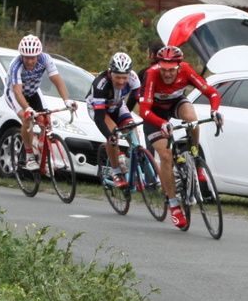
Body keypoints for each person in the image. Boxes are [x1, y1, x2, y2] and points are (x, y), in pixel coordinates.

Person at [138, 44, 223, 231]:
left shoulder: (186, 70)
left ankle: (194, 155)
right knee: (166, 156)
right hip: (154, 113)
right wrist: (161, 123)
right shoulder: (152, 74)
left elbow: (212, 92)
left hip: (175, 103)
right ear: (158, 65)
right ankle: (174, 205)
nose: (167, 74)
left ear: (179, 66)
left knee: (192, 119)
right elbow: (144, 110)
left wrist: (215, 110)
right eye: (164, 69)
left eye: (171, 70)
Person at [5, 34, 75, 169]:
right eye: (26, 58)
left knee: (45, 120)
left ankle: (43, 151)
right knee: (28, 119)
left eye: (33, 58)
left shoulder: (45, 59)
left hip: (33, 91)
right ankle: (29, 156)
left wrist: (67, 100)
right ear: (21, 56)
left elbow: (58, 81)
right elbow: (18, 93)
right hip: (14, 94)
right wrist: (27, 109)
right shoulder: (16, 65)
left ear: (39, 54)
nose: (30, 61)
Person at [89, 51, 142, 187]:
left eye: (124, 78)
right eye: (117, 77)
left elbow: (134, 101)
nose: (121, 81)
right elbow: (100, 119)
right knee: (113, 135)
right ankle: (116, 172)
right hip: (100, 110)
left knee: (133, 132)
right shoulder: (100, 84)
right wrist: (110, 136)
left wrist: (127, 123)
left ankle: (136, 168)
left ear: (129, 74)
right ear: (110, 72)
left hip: (118, 105)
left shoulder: (134, 79)